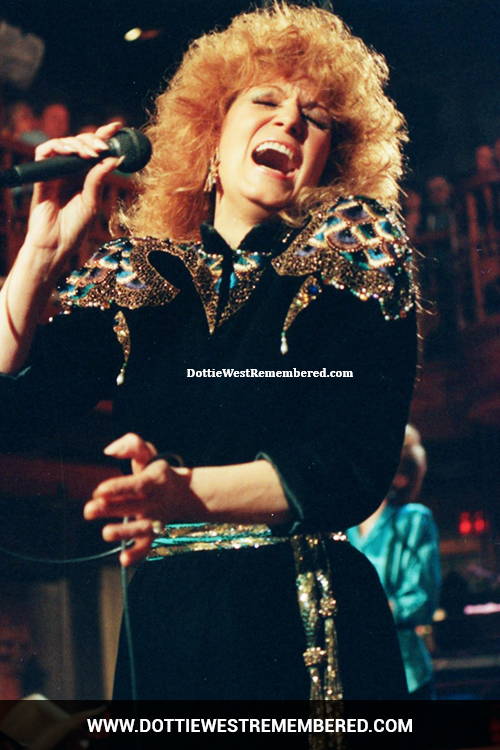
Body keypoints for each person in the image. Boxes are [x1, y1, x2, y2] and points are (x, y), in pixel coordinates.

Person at [0, 4, 417, 702]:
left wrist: (185, 493)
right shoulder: (135, 275)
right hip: (169, 630)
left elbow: (351, 466)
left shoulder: (356, 243)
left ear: (329, 159)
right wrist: (37, 256)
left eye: (315, 118)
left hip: (303, 622)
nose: (291, 121)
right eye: (266, 101)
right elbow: (13, 415)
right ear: (211, 135)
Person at [347, 425, 441, 699]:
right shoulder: (342, 527)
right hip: (352, 672)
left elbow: (421, 601)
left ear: (401, 476)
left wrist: (364, 610)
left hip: (405, 674)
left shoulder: (414, 519)